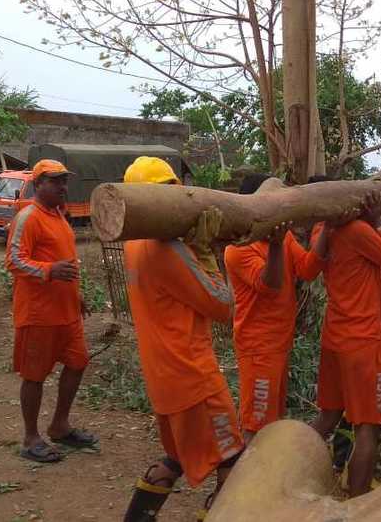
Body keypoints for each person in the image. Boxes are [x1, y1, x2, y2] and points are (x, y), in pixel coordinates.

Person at [121, 157, 244, 521]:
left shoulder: (134, 241)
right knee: (232, 460)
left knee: (175, 457)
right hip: (193, 376)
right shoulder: (168, 249)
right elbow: (223, 307)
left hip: (163, 378)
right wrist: (206, 254)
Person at [310, 190, 381, 497]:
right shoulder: (358, 231)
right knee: (367, 429)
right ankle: (357, 506)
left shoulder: (322, 231)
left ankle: (285, 468)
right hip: (364, 343)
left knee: (327, 418)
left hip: (334, 338)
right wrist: (380, 223)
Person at [224, 173, 331, 443]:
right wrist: (274, 244)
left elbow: (307, 270)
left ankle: (263, 479)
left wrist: (328, 227)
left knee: (271, 422)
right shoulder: (238, 249)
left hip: (279, 344)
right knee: (255, 427)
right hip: (258, 348)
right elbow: (270, 285)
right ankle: (246, 483)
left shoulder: (282, 239)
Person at [5, 159, 97, 464]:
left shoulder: (59, 215)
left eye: (64, 181)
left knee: (78, 361)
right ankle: (31, 438)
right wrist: (49, 271)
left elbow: (65, 260)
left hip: (66, 311)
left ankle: (59, 425)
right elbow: (14, 261)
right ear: (37, 184)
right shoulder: (28, 217)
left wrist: (77, 295)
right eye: (55, 181)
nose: (62, 187)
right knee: (34, 376)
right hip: (38, 315)